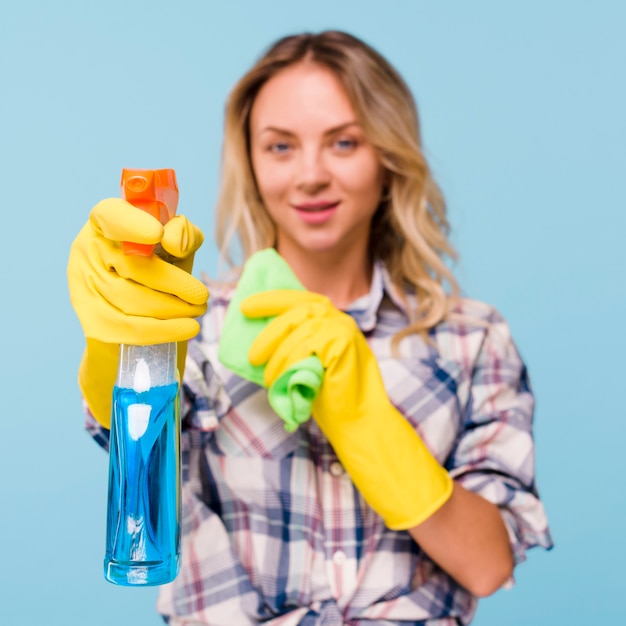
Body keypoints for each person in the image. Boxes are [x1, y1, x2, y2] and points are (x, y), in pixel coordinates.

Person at [68, 30, 552, 626]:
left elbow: (488, 566)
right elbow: (138, 484)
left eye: (344, 142)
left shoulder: (471, 339)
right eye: (280, 147)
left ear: (388, 157)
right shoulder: (194, 326)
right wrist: (118, 342)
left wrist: (366, 419)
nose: (310, 175)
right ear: (250, 160)